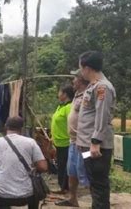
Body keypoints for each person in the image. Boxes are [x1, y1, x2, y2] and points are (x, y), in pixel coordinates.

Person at [76, 51, 116, 209]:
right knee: (94, 183)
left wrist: (95, 142)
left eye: (81, 68)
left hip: (97, 148)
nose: (80, 72)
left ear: (87, 68)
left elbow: (102, 115)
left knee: (99, 185)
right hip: (89, 146)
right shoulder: (93, 86)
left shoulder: (102, 87)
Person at [0, 116, 47, 209]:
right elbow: (43, 167)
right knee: (36, 187)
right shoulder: (30, 142)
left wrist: (0, 172)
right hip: (26, 196)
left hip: (2, 195)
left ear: (5, 127)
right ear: (21, 128)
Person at [55, 70, 89, 207]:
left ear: (81, 80)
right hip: (72, 142)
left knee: (86, 171)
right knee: (71, 171)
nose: (73, 81)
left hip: (84, 143)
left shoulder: (89, 95)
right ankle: (72, 199)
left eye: (75, 78)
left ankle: (95, 200)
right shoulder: (76, 96)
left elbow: (90, 120)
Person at [50, 84, 74, 194]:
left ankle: (63, 187)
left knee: (64, 166)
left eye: (59, 92)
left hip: (66, 142)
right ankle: (63, 186)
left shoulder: (69, 107)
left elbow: (72, 124)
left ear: (65, 94)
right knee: (61, 165)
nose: (58, 94)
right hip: (58, 142)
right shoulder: (60, 106)